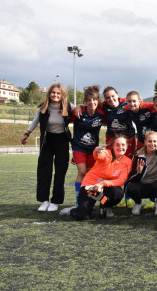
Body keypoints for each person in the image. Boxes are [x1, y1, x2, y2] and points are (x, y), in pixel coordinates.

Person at [20, 83, 73, 212]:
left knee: (60, 172)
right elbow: (35, 121)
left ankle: (55, 201)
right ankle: (44, 201)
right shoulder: (43, 108)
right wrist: (27, 134)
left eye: (58, 93)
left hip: (62, 141)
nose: (55, 95)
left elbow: (81, 111)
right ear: (49, 94)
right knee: (44, 172)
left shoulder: (69, 107)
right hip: (47, 141)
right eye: (53, 92)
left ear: (62, 95)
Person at [60, 85, 106, 216]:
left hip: (93, 150)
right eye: (89, 100)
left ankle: (88, 202)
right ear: (85, 101)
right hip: (79, 147)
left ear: (98, 101)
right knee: (82, 171)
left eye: (94, 100)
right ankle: (78, 202)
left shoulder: (101, 114)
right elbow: (64, 116)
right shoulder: (78, 112)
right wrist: (77, 107)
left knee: (90, 175)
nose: (92, 102)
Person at [69, 135, 132, 220]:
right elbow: (98, 155)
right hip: (91, 186)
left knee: (117, 193)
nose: (120, 147)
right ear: (113, 146)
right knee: (82, 216)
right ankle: (73, 210)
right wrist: (96, 151)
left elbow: (121, 181)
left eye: (123, 145)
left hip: (105, 187)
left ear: (127, 146)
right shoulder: (106, 153)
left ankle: (105, 205)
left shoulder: (128, 162)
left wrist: (102, 184)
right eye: (117, 145)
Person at [125, 131, 157, 216]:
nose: (152, 144)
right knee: (130, 187)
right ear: (145, 142)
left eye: (155, 141)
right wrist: (139, 172)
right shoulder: (139, 154)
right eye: (149, 141)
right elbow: (132, 177)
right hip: (143, 185)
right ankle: (138, 203)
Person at [101, 86, 136, 159]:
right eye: (107, 97)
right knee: (111, 160)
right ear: (105, 99)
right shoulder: (104, 106)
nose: (111, 99)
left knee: (127, 161)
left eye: (113, 96)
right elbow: (90, 106)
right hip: (112, 138)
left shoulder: (126, 103)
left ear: (117, 95)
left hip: (128, 138)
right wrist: (79, 106)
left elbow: (140, 104)